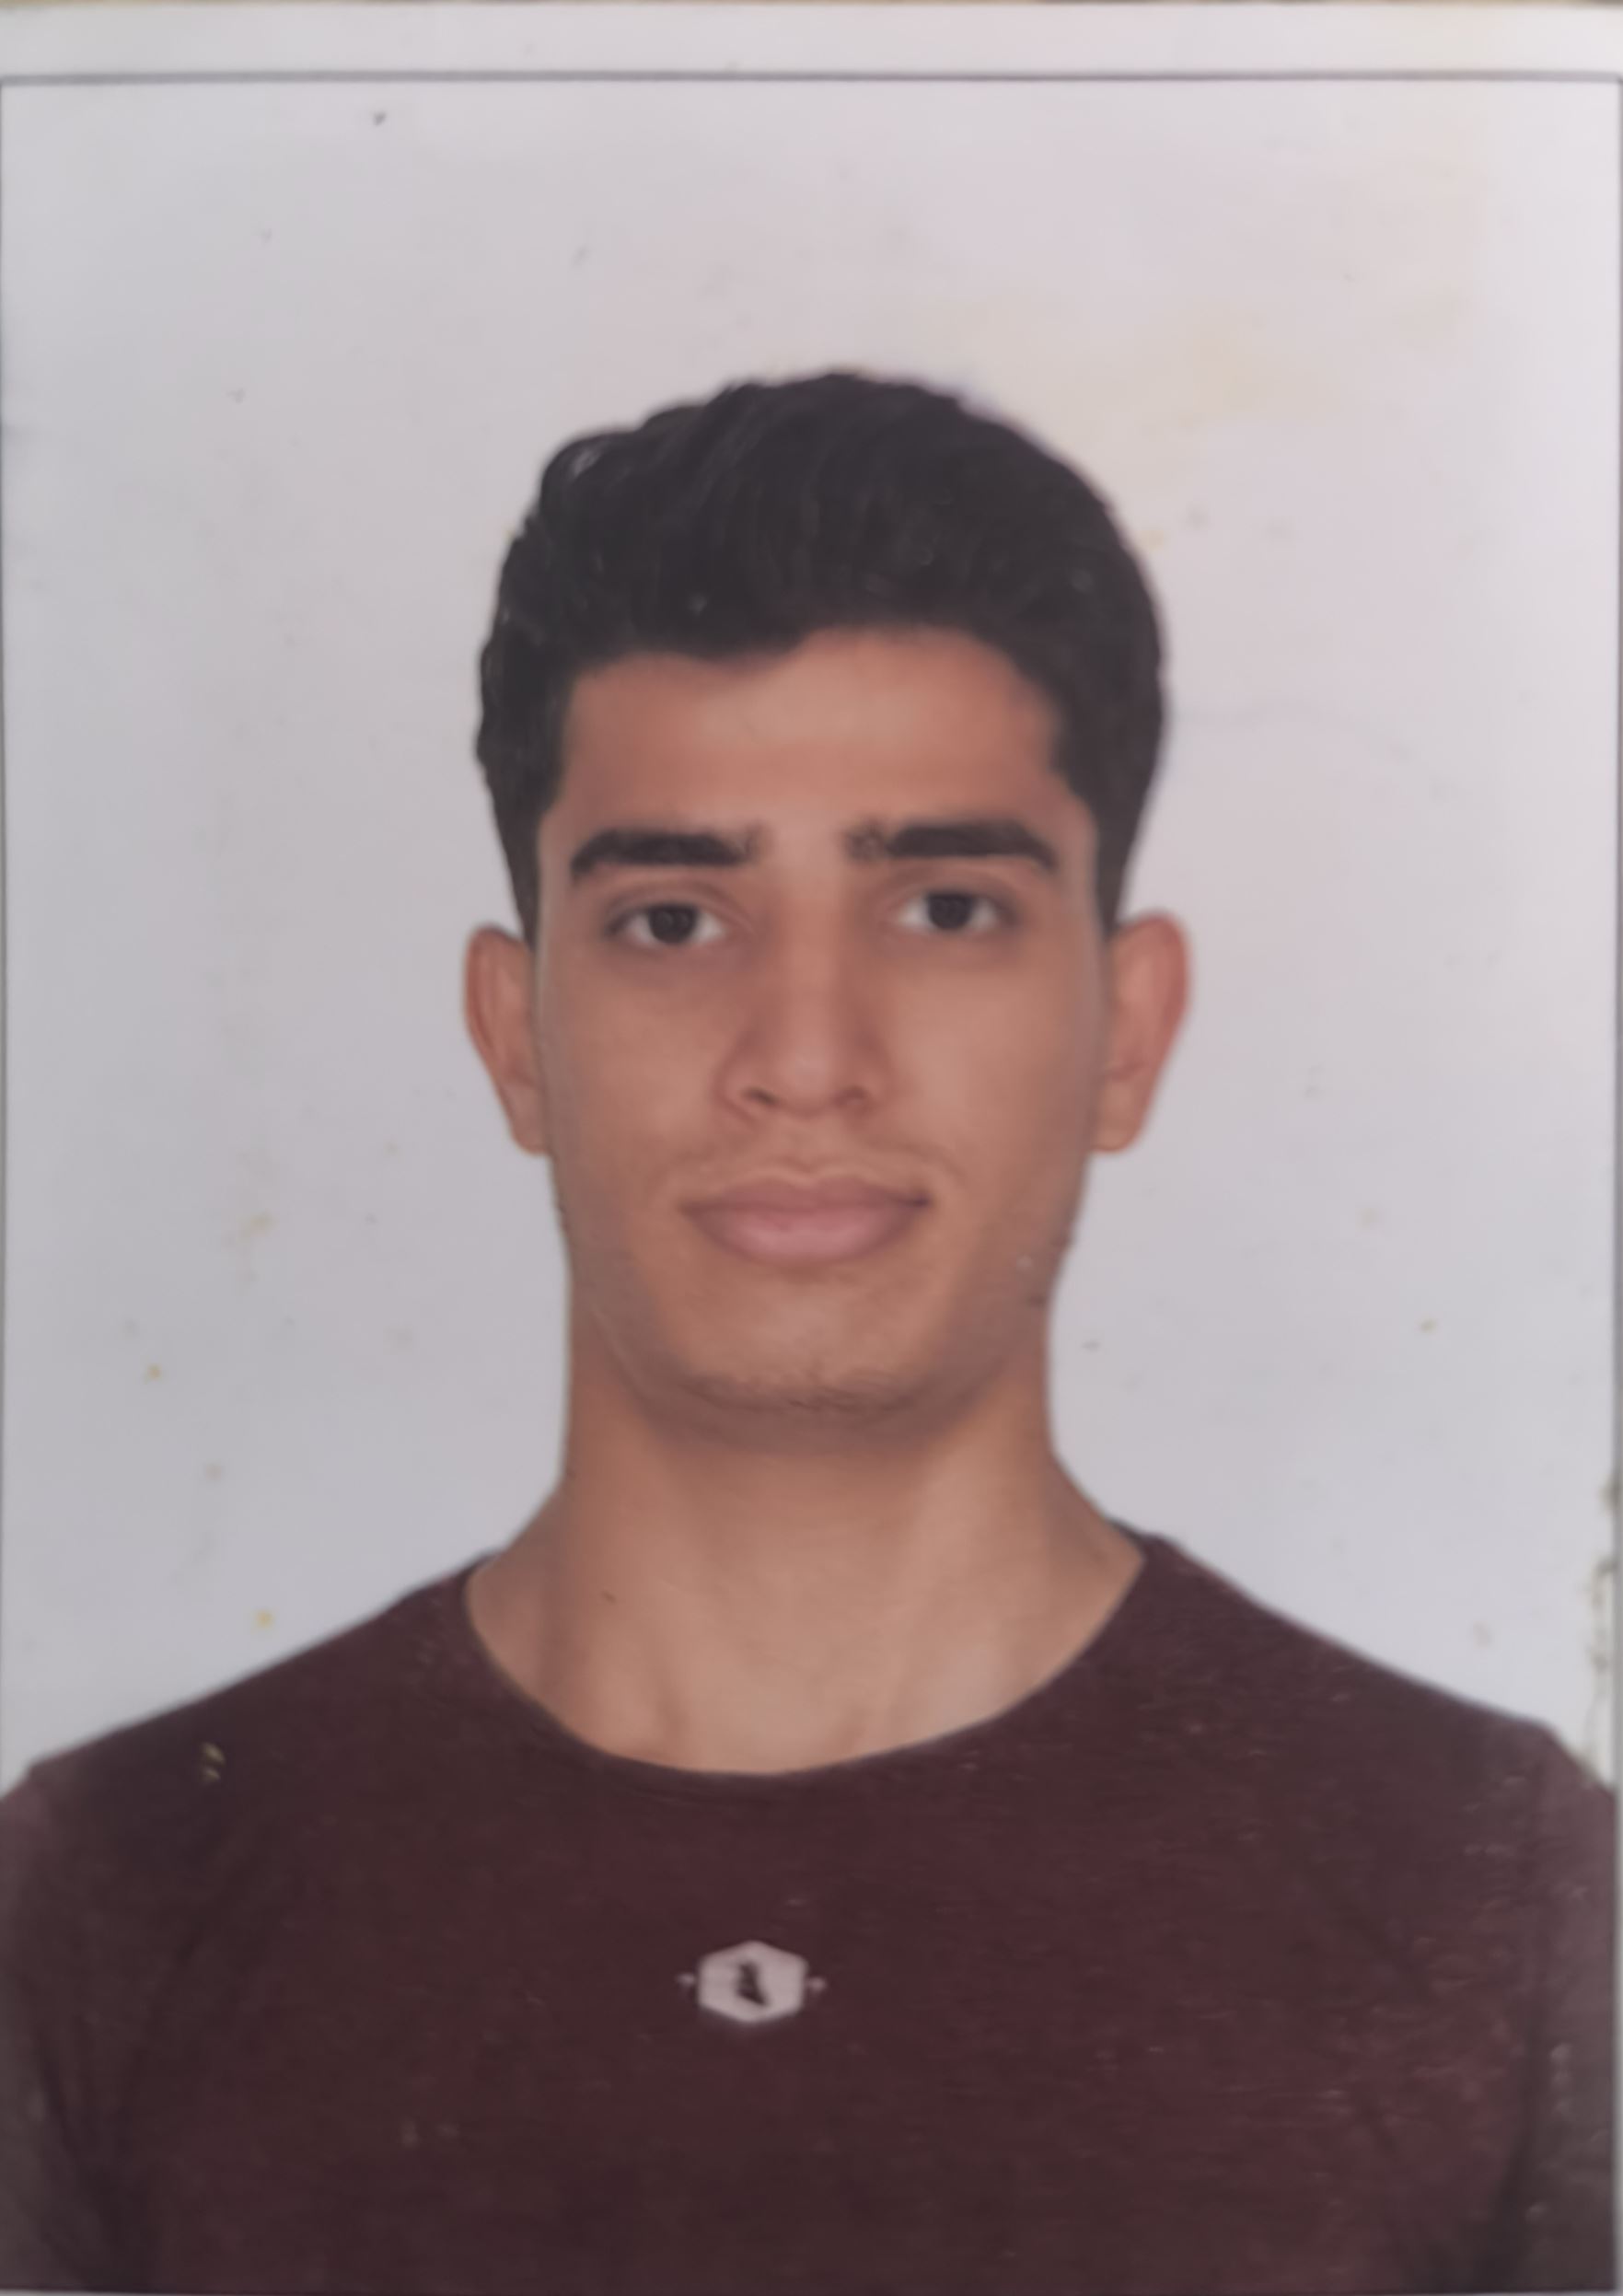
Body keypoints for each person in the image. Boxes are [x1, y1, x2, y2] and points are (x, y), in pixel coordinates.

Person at [0, 370, 1613, 2296]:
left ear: (1128, 1027)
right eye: (676, 920)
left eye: (945, 906)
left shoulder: (1500, 1889)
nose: (806, 1058)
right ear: (518, 1038)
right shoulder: (110, 1891)